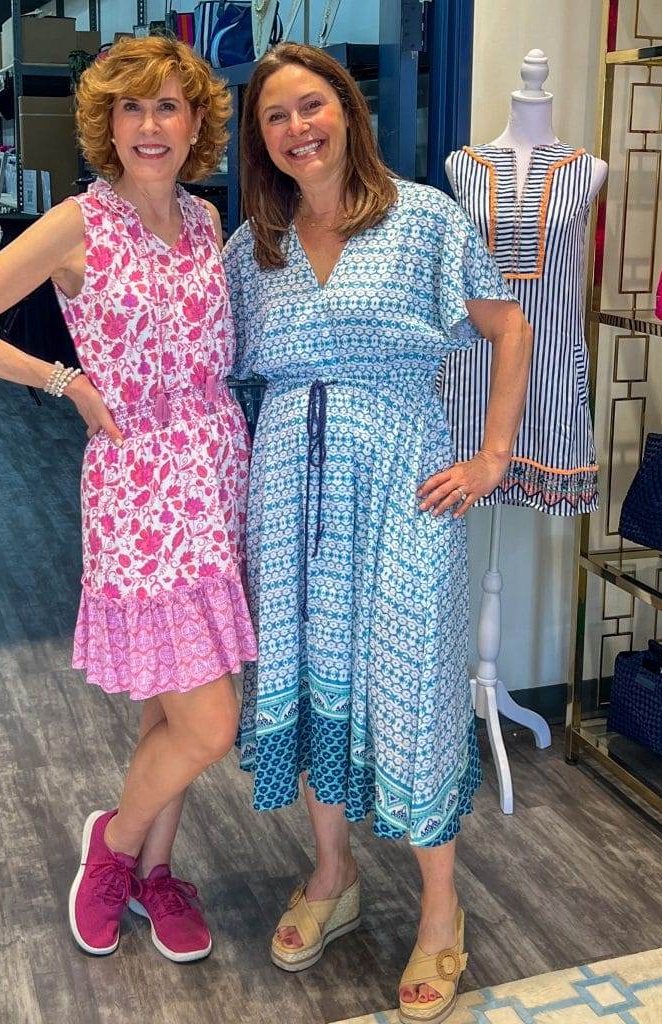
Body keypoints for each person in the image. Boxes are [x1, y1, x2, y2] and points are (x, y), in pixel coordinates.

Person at [0, 36, 257, 962]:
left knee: (169, 707)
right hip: (138, 483)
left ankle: (153, 871)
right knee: (209, 720)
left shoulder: (203, 222)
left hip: (214, 473)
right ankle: (109, 848)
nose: (151, 126)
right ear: (107, 124)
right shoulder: (79, 223)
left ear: (197, 122)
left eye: (168, 107)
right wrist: (60, 378)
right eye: (131, 108)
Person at [223, 44, 532, 1022]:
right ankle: (332, 877)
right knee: (311, 674)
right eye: (275, 116)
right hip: (286, 493)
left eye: (311, 105)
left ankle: (441, 910)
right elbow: (222, 379)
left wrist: (490, 456)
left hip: (403, 479)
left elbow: (510, 327)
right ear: (259, 138)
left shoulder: (425, 219)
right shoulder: (251, 247)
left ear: (347, 111)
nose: (297, 128)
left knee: (409, 683)